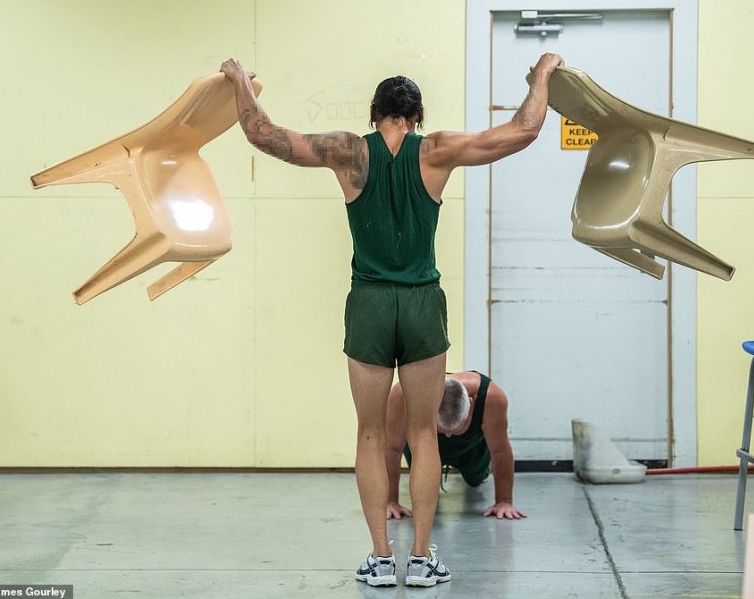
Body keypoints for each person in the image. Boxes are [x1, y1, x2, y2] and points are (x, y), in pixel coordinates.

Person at [220, 51, 563, 588]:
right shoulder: (437, 150)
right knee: (424, 433)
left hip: (371, 303)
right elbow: (524, 130)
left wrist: (238, 79)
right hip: (422, 302)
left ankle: (381, 557)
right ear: (417, 116)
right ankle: (421, 558)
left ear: (373, 114)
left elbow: (262, 133)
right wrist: (542, 73)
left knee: (370, 432)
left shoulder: (348, 151)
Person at [385, 371, 526, 520]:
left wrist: (504, 501)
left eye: (455, 430)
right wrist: (390, 501)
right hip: (424, 445)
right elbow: (392, 449)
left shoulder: (491, 398)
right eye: (442, 430)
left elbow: (499, 450)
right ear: (428, 408)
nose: (448, 436)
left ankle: (475, 472)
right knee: (425, 488)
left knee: (475, 479)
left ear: (471, 404)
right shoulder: (403, 396)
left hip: (471, 448)